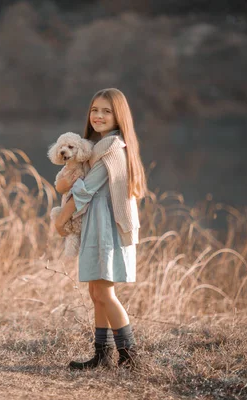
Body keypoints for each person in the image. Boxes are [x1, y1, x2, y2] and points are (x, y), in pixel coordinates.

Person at [54, 88, 147, 370]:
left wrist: (60, 221)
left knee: (106, 294)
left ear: (119, 116)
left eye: (107, 111)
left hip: (107, 228)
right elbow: (68, 182)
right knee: (96, 293)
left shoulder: (111, 148)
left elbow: (85, 190)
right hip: (96, 226)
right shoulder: (95, 147)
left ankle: (130, 357)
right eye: (95, 110)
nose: (99, 116)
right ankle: (102, 355)